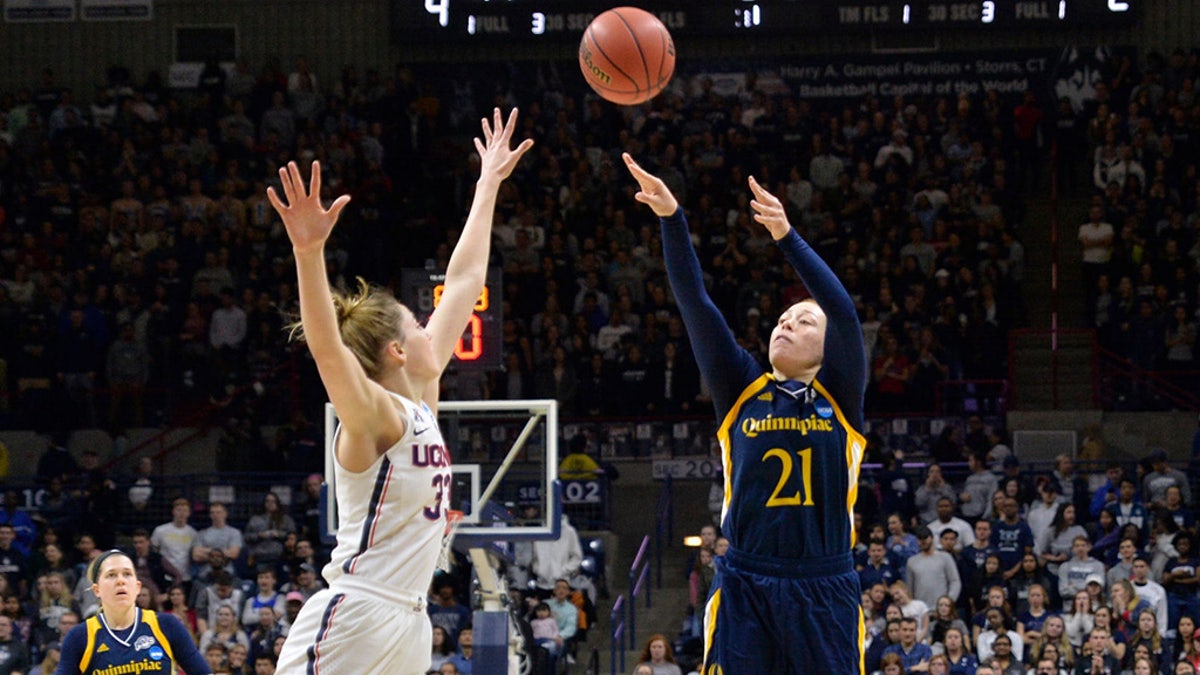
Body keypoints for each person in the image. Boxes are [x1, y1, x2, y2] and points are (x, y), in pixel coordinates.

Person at [271, 108, 532, 675]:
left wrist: (488, 183)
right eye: (416, 322)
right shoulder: (374, 414)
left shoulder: (421, 395)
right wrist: (308, 253)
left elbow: (464, 280)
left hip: (409, 623)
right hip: (358, 611)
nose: (427, 324)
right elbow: (326, 349)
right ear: (394, 351)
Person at [624, 155, 867, 672]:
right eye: (783, 318)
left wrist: (787, 237)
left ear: (828, 350)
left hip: (824, 584)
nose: (787, 325)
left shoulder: (841, 399)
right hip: (747, 582)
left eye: (803, 322)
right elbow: (695, 304)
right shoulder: (741, 390)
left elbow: (843, 312)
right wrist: (672, 219)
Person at [55, 549, 211, 674]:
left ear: (137, 587)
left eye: (127, 574)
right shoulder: (80, 636)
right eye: (111, 575)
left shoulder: (166, 625)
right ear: (97, 590)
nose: (120, 580)